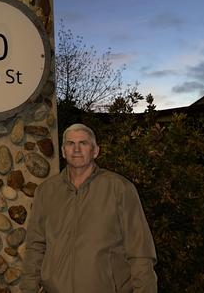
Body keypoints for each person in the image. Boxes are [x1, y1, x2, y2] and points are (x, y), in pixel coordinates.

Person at [20, 123, 157, 293]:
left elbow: (140, 252)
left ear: (95, 151)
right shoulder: (46, 191)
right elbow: (35, 247)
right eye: (70, 144)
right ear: (63, 152)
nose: (76, 149)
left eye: (83, 143)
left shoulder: (119, 188)